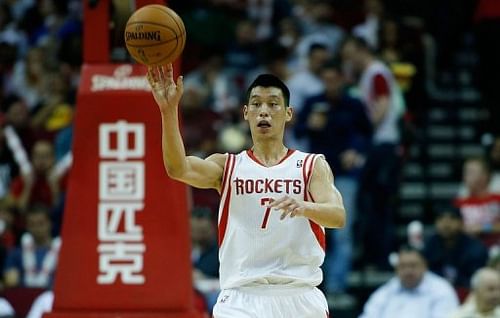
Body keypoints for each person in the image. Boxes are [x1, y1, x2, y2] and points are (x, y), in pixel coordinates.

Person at [147, 64, 346, 318]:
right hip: (242, 298)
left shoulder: (311, 165)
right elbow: (178, 168)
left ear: (288, 113)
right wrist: (168, 110)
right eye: (256, 104)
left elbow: (338, 215)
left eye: (273, 104)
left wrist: (305, 207)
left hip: (299, 295)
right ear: (245, 112)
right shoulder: (227, 165)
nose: (264, 111)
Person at [294, 59, 372, 300]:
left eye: (333, 79)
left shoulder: (354, 104)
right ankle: (315, 283)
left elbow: (367, 133)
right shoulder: (313, 102)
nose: (329, 84)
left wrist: (356, 150)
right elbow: (297, 132)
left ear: (342, 79)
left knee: (342, 231)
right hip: (315, 175)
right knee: (313, 227)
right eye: (325, 80)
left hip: (345, 173)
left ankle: (337, 286)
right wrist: (309, 125)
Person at [341, 36, 404, 270]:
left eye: (350, 55)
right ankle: (374, 253)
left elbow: (382, 104)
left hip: (383, 143)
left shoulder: (377, 72)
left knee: (380, 203)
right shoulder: (368, 74)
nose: (348, 61)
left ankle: (382, 255)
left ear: (361, 50)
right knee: (373, 202)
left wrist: (366, 132)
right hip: (377, 143)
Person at [359, 245, 459, 318]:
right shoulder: (385, 292)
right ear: (396, 269)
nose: (408, 271)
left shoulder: (441, 290)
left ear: (424, 266)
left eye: (413, 265)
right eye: (403, 266)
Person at [423, 205, 488, 297]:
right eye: (441, 219)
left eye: (452, 219)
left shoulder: (475, 248)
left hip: (468, 294)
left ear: (461, 223)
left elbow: (477, 280)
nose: (446, 224)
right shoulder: (430, 244)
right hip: (435, 293)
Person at [3, 205, 60, 288]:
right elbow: (10, 281)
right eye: (32, 224)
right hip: (23, 297)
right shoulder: (16, 253)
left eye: (41, 223)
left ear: (50, 223)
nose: (36, 228)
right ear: (27, 226)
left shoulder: (62, 252)